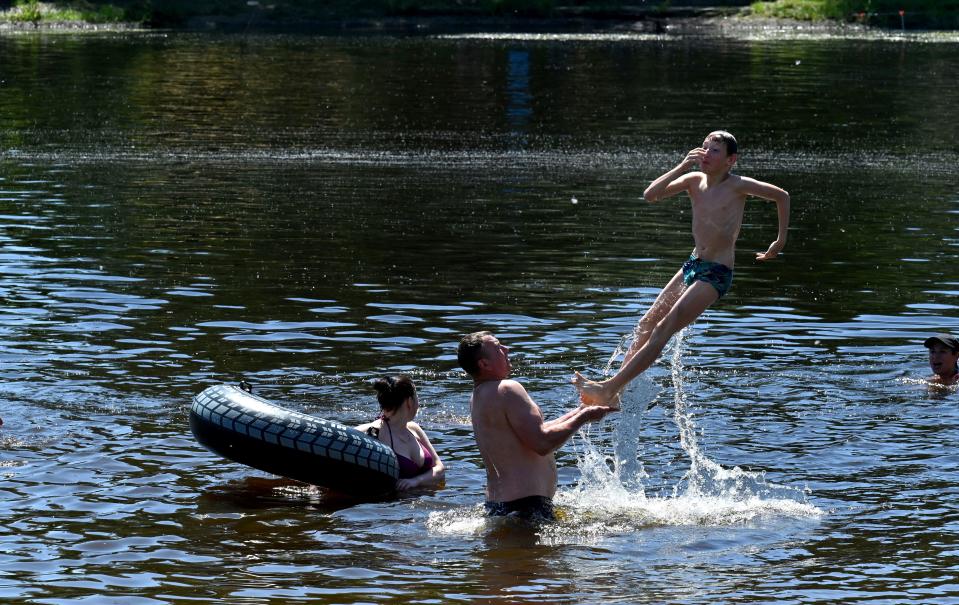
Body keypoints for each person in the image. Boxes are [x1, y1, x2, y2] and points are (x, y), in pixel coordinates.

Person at [573, 130, 790, 407]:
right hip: (692, 264)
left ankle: (609, 387)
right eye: (704, 148)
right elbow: (651, 194)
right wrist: (682, 165)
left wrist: (779, 240)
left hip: (716, 273)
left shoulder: (738, 185)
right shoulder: (692, 180)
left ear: (730, 160)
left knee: (665, 326)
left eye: (714, 151)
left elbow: (782, 196)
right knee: (646, 324)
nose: (706, 154)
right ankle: (616, 391)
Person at [458, 331, 615, 522]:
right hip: (527, 506)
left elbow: (529, 434)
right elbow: (542, 443)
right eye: (498, 347)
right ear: (484, 364)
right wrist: (585, 416)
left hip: (499, 505)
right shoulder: (507, 388)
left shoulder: (479, 395)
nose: (506, 349)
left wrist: (581, 410)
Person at [355, 375, 445, 491]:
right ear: (409, 401)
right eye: (417, 396)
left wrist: (415, 481)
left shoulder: (414, 429)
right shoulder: (372, 432)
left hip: (423, 504)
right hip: (396, 506)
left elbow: (440, 469)